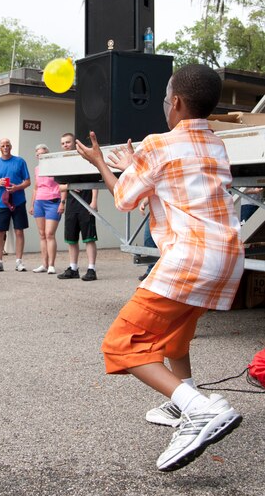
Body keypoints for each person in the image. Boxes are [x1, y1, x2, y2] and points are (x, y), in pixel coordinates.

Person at [76, 64, 244, 472]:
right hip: (224, 258)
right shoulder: (217, 145)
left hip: (189, 258)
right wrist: (138, 162)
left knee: (120, 344)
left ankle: (198, 409)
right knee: (174, 340)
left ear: (178, 104)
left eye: (167, 100)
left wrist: (103, 163)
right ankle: (180, 400)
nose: (165, 107)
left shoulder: (158, 144)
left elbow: (125, 199)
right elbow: (174, 181)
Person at [57, 133, 98, 281]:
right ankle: (73, 268)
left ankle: (91, 269)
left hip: (86, 204)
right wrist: (68, 188)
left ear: (74, 143)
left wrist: (94, 201)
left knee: (89, 238)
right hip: (72, 206)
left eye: (67, 142)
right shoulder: (62, 163)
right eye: (62, 143)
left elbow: (95, 180)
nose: (65, 145)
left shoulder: (84, 159)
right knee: (71, 239)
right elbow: (60, 187)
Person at [0, 138, 31, 272]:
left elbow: (28, 182)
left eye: (7, 145)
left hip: (18, 202)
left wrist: (17, 187)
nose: (5, 147)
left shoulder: (20, 161)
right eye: (3, 145)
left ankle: (19, 261)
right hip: (1, 203)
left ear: (11, 147)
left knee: (19, 231)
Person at [29, 144, 65, 274]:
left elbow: (63, 185)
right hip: (39, 202)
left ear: (47, 154)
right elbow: (36, 187)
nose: (41, 156)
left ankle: (51, 265)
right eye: (38, 154)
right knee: (42, 234)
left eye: (43, 154)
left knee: (50, 233)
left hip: (53, 202)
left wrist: (62, 202)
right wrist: (32, 204)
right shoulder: (37, 169)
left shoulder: (55, 167)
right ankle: (43, 264)